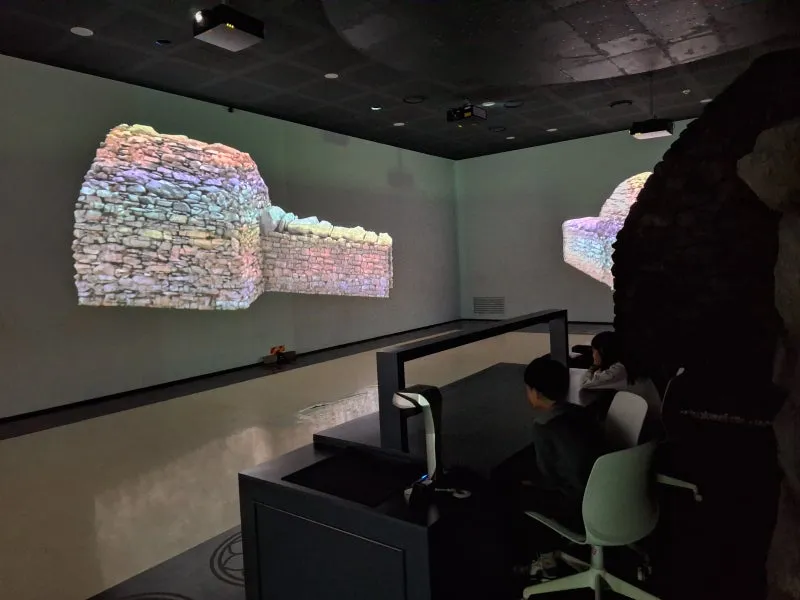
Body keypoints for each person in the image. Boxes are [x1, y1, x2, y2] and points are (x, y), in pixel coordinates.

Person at [494, 357, 606, 580]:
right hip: (605, 494)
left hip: (578, 507)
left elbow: (549, 479)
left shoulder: (544, 426)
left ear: (535, 392)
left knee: (509, 491)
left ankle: (543, 561)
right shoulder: (581, 412)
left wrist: (528, 482)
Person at [581, 331, 662, 433]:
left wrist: (593, 367)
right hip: (649, 417)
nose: (593, 355)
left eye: (593, 351)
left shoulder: (618, 370)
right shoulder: (627, 363)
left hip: (644, 425)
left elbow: (586, 383)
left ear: (602, 351)